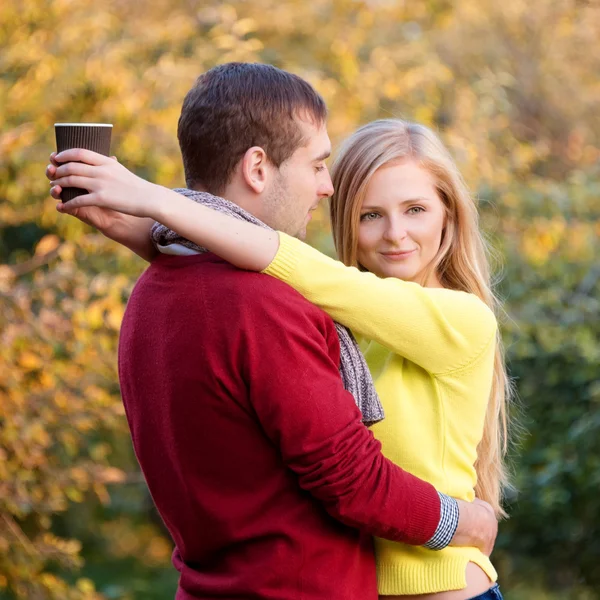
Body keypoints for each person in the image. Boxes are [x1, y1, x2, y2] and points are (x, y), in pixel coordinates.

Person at [47, 63, 499, 600]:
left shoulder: (455, 318)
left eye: (417, 210)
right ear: (259, 168)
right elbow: (266, 289)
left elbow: (293, 271)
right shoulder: (321, 313)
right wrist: (152, 227)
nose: (395, 233)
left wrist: (156, 204)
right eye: (370, 214)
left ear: (449, 217)